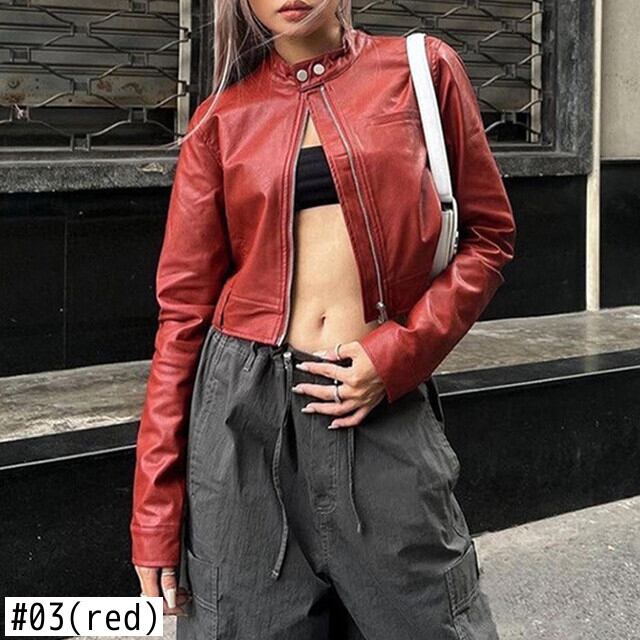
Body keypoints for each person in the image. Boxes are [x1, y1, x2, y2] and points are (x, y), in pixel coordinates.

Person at [130, 0, 516, 638]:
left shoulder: (420, 70)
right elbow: (182, 319)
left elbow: (489, 237)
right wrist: (154, 513)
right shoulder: (220, 120)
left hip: (378, 405)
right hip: (243, 418)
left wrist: (397, 355)